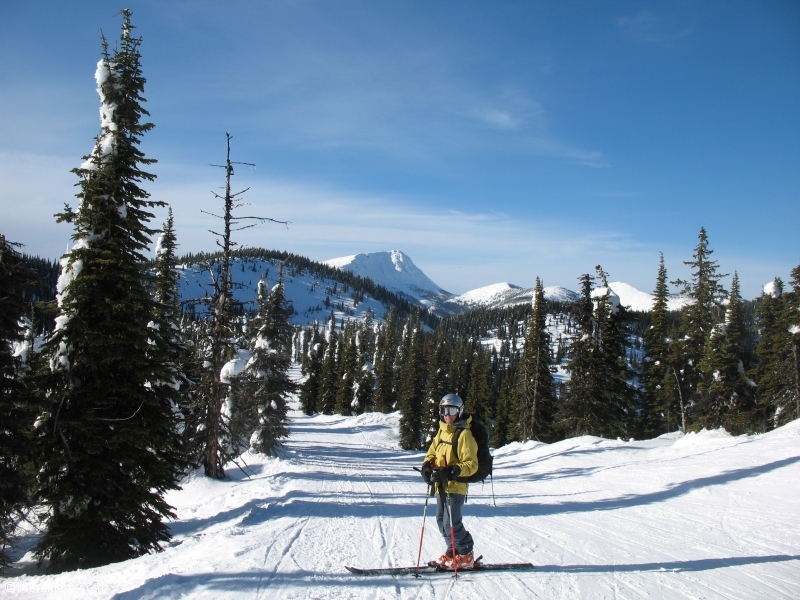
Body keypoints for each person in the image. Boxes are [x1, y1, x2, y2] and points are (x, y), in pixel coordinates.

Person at [420, 393, 478, 570]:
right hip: (440, 485)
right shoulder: (442, 431)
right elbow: (431, 453)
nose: (447, 415)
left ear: (459, 411)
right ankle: (452, 552)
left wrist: (453, 470)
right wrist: (427, 467)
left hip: (456, 486)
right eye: (444, 410)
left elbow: (472, 464)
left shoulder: (464, 435)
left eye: (451, 410)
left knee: (452, 523)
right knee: (440, 520)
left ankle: (466, 554)